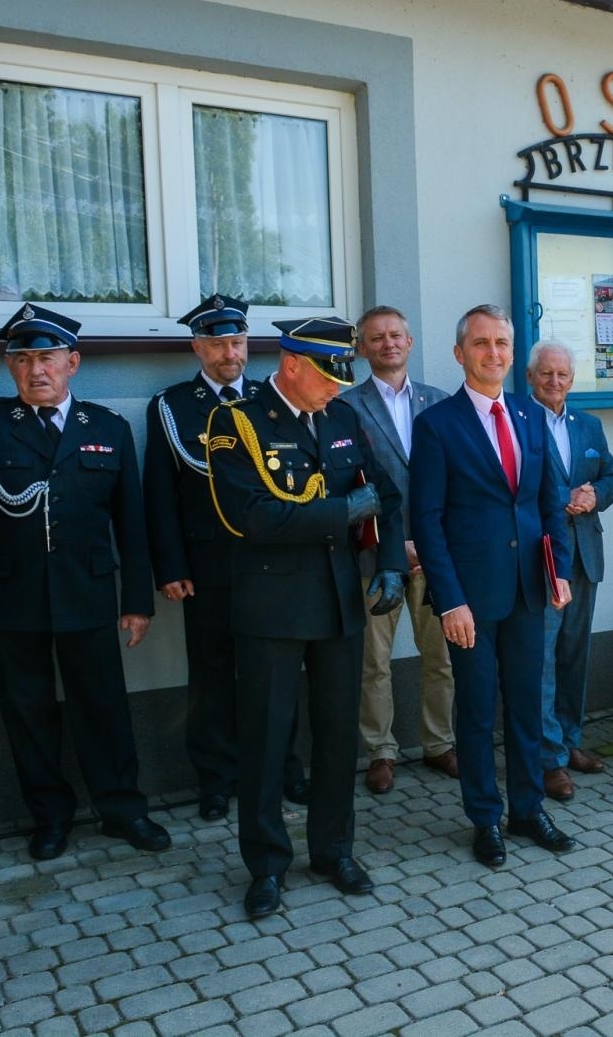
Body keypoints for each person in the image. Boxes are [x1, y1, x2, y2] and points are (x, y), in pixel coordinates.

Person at [0, 304, 169, 862]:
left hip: (88, 593)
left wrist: (137, 601)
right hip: (9, 596)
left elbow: (131, 524)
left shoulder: (108, 428)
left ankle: (122, 809)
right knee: (28, 711)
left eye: (46, 358)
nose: (34, 370)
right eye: (21, 360)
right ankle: (50, 816)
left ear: (73, 362)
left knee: (104, 707)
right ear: (10, 369)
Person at [206, 316, 406, 918]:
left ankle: (332, 850)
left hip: (339, 602)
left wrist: (391, 564)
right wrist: (344, 509)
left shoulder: (341, 416)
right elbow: (251, 516)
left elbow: (387, 496)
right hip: (272, 605)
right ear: (292, 365)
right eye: (327, 373)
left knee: (339, 734)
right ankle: (266, 864)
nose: (337, 386)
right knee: (268, 739)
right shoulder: (236, 422)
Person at [408, 304, 577, 867]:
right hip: (471, 601)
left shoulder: (530, 417)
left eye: (502, 343)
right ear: (461, 353)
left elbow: (550, 502)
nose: (494, 353)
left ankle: (527, 810)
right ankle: (486, 817)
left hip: (530, 589)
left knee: (528, 705)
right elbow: (426, 520)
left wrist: (560, 570)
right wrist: (449, 598)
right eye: (481, 344)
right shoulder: (437, 425)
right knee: (478, 711)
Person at [143, 294, 308, 820]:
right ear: (198, 347)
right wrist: (170, 566)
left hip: (271, 564)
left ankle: (285, 768)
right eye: (216, 344)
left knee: (276, 672)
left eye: (236, 342)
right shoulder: (172, 406)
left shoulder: (269, 398)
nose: (229, 353)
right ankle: (216, 778)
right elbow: (160, 495)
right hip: (208, 568)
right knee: (212, 675)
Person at [339, 305, 458, 792]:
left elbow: (459, 480)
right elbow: (344, 483)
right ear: (362, 348)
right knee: (374, 661)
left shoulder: (441, 401)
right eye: (376, 337)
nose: (388, 343)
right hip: (375, 556)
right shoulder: (344, 407)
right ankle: (380, 751)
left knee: (442, 657)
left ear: (409, 343)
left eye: (396, 335)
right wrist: (395, 542)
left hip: (437, 554)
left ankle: (439, 742)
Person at [526, 339, 613, 801]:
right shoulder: (519, 422)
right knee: (542, 658)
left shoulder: (589, 425)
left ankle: (570, 740)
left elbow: (612, 477)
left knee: (574, 655)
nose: (555, 382)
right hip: (541, 557)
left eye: (563, 374)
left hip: (584, 555)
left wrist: (595, 496)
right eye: (546, 374)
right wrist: (563, 496)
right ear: (530, 378)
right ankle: (548, 759)